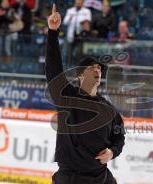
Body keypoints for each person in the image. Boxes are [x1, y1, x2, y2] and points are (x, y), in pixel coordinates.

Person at [46, 4, 125, 184]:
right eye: (91, 68)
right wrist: (52, 33)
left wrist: (113, 151)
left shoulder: (109, 108)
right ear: (81, 75)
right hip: (71, 177)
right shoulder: (67, 98)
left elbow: (119, 136)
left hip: (101, 177)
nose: (97, 70)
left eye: (98, 68)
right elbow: (53, 70)